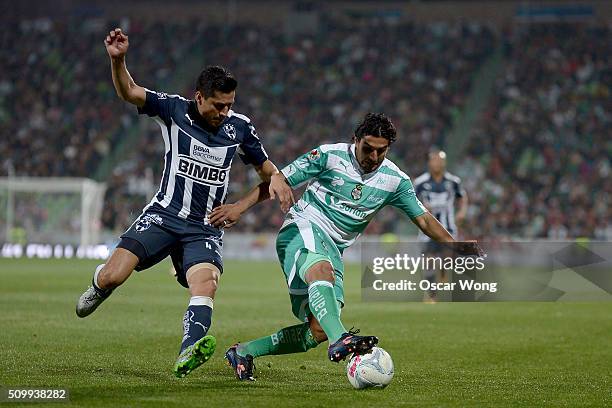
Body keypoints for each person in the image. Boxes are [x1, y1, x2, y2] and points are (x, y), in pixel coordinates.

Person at [75, 28, 292, 378]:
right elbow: (129, 91)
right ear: (199, 97)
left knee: (206, 284)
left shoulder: (240, 128)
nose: (225, 111)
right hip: (163, 216)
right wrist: (118, 61)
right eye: (219, 105)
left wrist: (245, 203)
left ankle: (187, 351)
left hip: (203, 227)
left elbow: (268, 173)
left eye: (230, 105)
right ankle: (99, 284)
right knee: (114, 276)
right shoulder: (175, 109)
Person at [208, 113, 481, 381]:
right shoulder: (329, 156)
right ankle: (341, 340)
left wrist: (455, 246)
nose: (373, 157)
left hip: (333, 248)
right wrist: (238, 207)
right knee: (321, 272)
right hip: (302, 228)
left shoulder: (395, 180)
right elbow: (278, 180)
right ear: (355, 140)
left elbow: (423, 219)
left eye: (381, 151)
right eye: (368, 149)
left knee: (318, 330)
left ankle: (243, 351)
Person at [414, 149, 468, 301]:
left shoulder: (453, 181)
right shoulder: (420, 182)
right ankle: (432, 295)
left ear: (444, 163)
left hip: (448, 226)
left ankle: (443, 271)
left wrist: (462, 211)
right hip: (427, 228)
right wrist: (421, 208)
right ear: (429, 163)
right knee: (429, 260)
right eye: (434, 160)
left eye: (440, 160)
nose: (437, 163)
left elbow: (463, 197)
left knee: (447, 257)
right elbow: (410, 201)